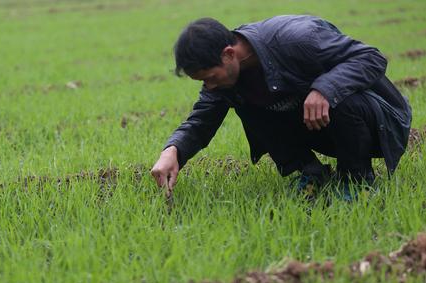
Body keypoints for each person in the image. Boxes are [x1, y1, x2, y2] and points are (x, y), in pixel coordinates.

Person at [150, 15, 412, 200]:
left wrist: (325, 89)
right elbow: (201, 121)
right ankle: (312, 173)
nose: (208, 86)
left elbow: (371, 58)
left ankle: (357, 181)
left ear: (228, 54)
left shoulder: (297, 39)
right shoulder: (226, 81)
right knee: (250, 105)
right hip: (322, 126)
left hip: (380, 120)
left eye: (210, 77)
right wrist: (173, 151)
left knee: (338, 96)